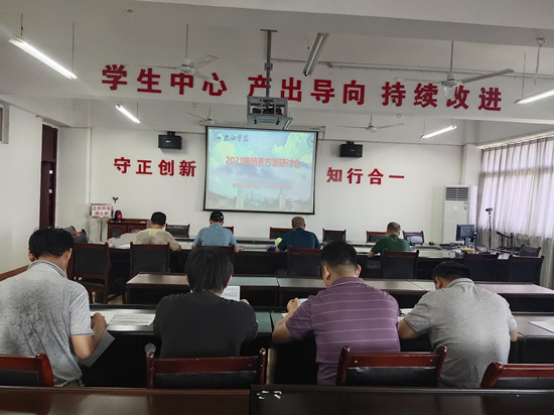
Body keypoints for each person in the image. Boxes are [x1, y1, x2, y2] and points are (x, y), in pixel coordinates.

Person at [272, 241, 400, 385]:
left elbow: (278, 336)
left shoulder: (315, 304)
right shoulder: (390, 301)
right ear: (358, 269)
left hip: (334, 395)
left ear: (326, 271)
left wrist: (293, 311)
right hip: (387, 393)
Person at [0, 228, 107, 387]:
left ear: (30, 254)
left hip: (7, 387)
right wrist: (99, 326)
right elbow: (83, 351)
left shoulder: (2, 286)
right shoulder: (74, 291)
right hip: (58, 389)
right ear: (68, 254)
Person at [398, 261, 518, 388]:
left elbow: (403, 333)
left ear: (438, 281)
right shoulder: (498, 299)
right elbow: (513, 336)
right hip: (496, 386)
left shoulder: (435, 297)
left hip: (453, 388)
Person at [153, 247, 258, 358]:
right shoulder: (243, 312)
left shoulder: (166, 305)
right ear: (227, 281)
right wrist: (245, 308)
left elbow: (158, 332)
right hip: (224, 370)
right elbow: (251, 335)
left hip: (175, 370)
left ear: (187, 279)